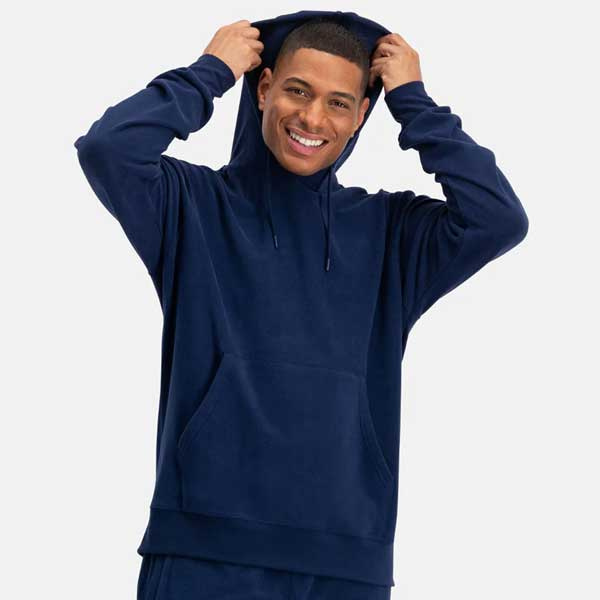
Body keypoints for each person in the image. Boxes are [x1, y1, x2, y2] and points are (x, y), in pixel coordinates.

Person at [74, 9, 528, 600]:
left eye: (339, 102)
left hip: (347, 563)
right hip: (202, 552)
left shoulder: (391, 232)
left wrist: (415, 103)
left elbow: (498, 218)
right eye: (297, 91)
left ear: (361, 115)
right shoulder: (190, 205)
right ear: (264, 89)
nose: (313, 118)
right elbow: (108, 149)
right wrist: (210, 72)